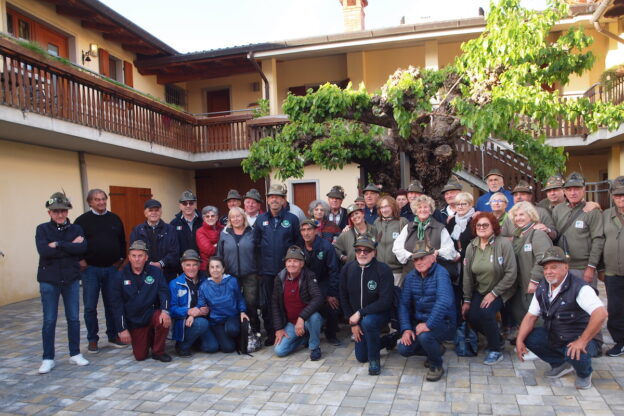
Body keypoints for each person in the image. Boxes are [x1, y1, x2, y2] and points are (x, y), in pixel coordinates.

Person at [516, 247, 608, 390]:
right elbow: (530, 316)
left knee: (573, 350)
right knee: (530, 337)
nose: (548, 272)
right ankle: (560, 364)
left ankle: (584, 373)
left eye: (554, 267)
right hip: (557, 335)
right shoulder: (542, 287)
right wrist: (519, 340)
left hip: (583, 339)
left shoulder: (580, 288)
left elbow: (601, 314)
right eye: (546, 268)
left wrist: (582, 341)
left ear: (566, 267)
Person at [36, 192, 89, 374]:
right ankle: (48, 358)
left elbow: (81, 248)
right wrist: (67, 245)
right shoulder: (42, 229)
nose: (60, 214)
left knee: (73, 318)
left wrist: (57, 245)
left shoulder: (76, 229)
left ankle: (74, 353)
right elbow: (44, 251)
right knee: (49, 320)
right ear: (49, 213)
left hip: (71, 279)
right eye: (56, 211)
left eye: (63, 211)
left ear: (67, 212)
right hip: (49, 280)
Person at [74, 188, 127, 353]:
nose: (101, 202)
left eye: (103, 199)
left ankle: (113, 335)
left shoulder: (115, 219)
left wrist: (120, 259)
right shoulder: (81, 221)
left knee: (113, 304)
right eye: (97, 199)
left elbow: (121, 241)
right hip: (91, 270)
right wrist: (81, 260)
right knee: (90, 306)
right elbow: (75, 244)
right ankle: (92, 339)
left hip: (111, 269)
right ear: (90, 202)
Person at [462, 212, 517, 365]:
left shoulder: (503, 244)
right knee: (472, 316)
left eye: (485, 225)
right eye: (478, 225)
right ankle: (497, 339)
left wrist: (494, 294)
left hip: (501, 290)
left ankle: (495, 350)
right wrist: (467, 300)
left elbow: (511, 273)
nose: (481, 228)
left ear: (493, 226)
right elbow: (467, 276)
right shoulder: (471, 246)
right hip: (481, 289)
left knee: (486, 313)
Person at [398, 241, 456, 382]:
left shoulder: (441, 274)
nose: (419, 262)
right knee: (403, 349)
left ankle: (436, 365)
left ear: (433, 258)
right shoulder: (411, 277)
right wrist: (406, 328)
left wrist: (428, 325)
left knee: (425, 336)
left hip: (444, 322)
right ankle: (435, 348)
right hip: (420, 322)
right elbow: (404, 305)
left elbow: (444, 302)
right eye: (416, 259)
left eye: (422, 257)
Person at [254, 183, 301, 345]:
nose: (274, 200)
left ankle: (290, 331)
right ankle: (271, 333)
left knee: (287, 301)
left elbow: (298, 244)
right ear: (267, 200)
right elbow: (256, 245)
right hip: (267, 271)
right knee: (268, 304)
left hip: (287, 271)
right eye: (271, 197)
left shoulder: (292, 219)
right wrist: (259, 268)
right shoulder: (261, 220)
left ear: (283, 200)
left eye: (278, 197)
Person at [340, 235, 394, 375]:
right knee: (361, 357)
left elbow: (385, 301)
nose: (362, 253)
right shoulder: (347, 269)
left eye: (367, 250)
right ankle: (387, 341)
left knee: (369, 322)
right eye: (359, 250)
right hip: (358, 318)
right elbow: (343, 297)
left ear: (374, 252)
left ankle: (375, 361)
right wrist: (353, 323)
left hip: (379, 314)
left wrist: (360, 313)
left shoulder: (384, 270)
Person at [111, 240, 172, 362]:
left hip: (151, 314)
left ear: (146, 257)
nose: (137, 259)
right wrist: (122, 329)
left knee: (163, 319)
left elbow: (164, 292)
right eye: (134, 256)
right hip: (135, 320)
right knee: (140, 356)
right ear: (129, 257)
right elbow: (116, 305)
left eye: (140, 256)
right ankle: (148, 337)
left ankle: (158, 351)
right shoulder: (120, 276)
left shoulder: (155, 272)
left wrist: (165, 311)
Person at [551, 172, 604, 288]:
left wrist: (591, 267)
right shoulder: (557, 210)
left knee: (586, 304)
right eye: (569, 189)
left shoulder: (592, 211)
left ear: (584, 189)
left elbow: (598, 240)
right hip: (561, 266)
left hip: (583, 268)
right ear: (564, 191)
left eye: (577, 189)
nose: (573, 193)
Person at [393, 195, 459, 287]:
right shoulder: (408, 227)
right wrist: (411, 256)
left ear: (430, 210)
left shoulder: (440, 228)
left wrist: (437, 252)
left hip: (434, 276)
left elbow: (450, 250)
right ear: (415, 210)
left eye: (425, 207)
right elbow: (397, 248)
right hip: (410, 274)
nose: (422, 210)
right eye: (419, 207)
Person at [272, 246, 324, 360]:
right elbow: (275, 304)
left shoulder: (309, 276)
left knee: (315, 317)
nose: (292, 264)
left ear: (302, 263)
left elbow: (318, 298)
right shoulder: (279, 278)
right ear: (285, 263)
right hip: (290, 323)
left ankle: (314, 347)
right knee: (279, 351)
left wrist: (302, 317)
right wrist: (279, 328)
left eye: (295, 261)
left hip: (306, 320)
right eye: (289, 261)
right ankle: (304, 338)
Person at [508, 202, 552, 328]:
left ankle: (537, 345)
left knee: (537, 319)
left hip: (534, 285)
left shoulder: (537, 234)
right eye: (515, 215)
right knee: (523, 315)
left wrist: (534, 280)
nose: (518, 218)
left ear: (531, 215)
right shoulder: (518, 235)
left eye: (522, 214)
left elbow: (544, 258)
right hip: (521, 285)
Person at [218, 207, 260, 332]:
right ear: (230, 219)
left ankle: (254, 330)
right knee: (233, 302)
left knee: (251, 303)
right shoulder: (224, 233)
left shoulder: (252, 232)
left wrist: (258, 271)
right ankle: (237, 331)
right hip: (230, 274)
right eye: (233, 217)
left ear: (243, 217)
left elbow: (258, 253)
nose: (236, 219)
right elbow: (219, 254)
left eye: (238, 216)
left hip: (250, 274)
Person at [300, 219, 341, 345]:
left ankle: (331, 334)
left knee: (332, 304)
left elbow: (334, 270)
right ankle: (305, 333)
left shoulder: (326, 246)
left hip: (323, 282)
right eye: (303, 230)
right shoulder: (298, 246)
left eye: (309, 229)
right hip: (306, 283)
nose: (306, 233)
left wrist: (331, 293)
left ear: (316, 231)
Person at [194, 256, 248, 353]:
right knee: (228, 348)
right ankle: (215, 339)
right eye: (212, 267)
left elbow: (240, 298)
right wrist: (192, 314)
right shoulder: (204, 286)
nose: (215, 270)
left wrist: (243, 311)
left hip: (232, 318)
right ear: (209, 270)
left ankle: (229, 337)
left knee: (233, 330)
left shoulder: (232, 281)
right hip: (216, 321)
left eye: (218, 267)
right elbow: (201, 305)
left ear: (223, 269)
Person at [169, 249, 209, 357]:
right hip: (184, 322)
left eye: (194, 265)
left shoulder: (205, 281)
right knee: (201, 323)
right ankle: (182, 346)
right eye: (188, 265)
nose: (191, 268)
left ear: (199, 265)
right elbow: (172, 309)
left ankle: (194, 341)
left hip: (202, 319)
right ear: (182, 266)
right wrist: (189, 312)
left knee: (210, 347)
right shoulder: (174, 283)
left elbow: (209, 302)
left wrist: (205, 309)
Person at [129, 199, 179, 281]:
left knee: (165, 294)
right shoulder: (137, 230)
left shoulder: (170, 229)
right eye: (150, 210)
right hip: (144, 272)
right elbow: (133, 252)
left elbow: (174, 252)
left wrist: (161, 263)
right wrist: (149, 264)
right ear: (145, 213)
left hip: (167, 273)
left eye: (157, 210)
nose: (154, 213)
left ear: (161, 212)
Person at [602, 176, 624, 357]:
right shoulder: (606, 215)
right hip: (613, 272)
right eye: (618, 195)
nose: (621, 198)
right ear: (612, 196)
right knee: (615, 309)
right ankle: (620, 341)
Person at [446, 191, 476, 321]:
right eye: (457, 204)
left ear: (470, 205)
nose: (460, 207)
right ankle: (459, 327)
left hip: (471, 261)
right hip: (454, 264)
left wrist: (461, 254)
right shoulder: (451, 221)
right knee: (455, 295)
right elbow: (446, 239)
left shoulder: (476, 220)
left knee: (469, 295)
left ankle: (472, 330)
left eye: (464, 204)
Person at [374, 195, 409, 286]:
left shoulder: (402, 222)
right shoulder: (377, 222)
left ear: (393, 206)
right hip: (379, 270)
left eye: (386, 206)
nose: (384, 210)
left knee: (395, 298)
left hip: (397, 271)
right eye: (381, 207)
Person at [170, 191, 203, 271]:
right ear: (180, 206)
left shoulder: (204, 221)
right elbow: (172, 247)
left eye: (191, 203)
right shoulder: (174, 223)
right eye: (185, 203)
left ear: (195, 204)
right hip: (183, 266)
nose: (188, 206)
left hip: (201, 265)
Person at [195, 205, 223, 272]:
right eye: (207, 216)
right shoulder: (200, 231)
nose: (210, 218)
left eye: (213, 216)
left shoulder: (223, 228)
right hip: (207, 268)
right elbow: (209, 251)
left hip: (222, 266)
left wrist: (215, 245)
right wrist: (221, 245)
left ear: (217, 217)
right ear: (204, 218)